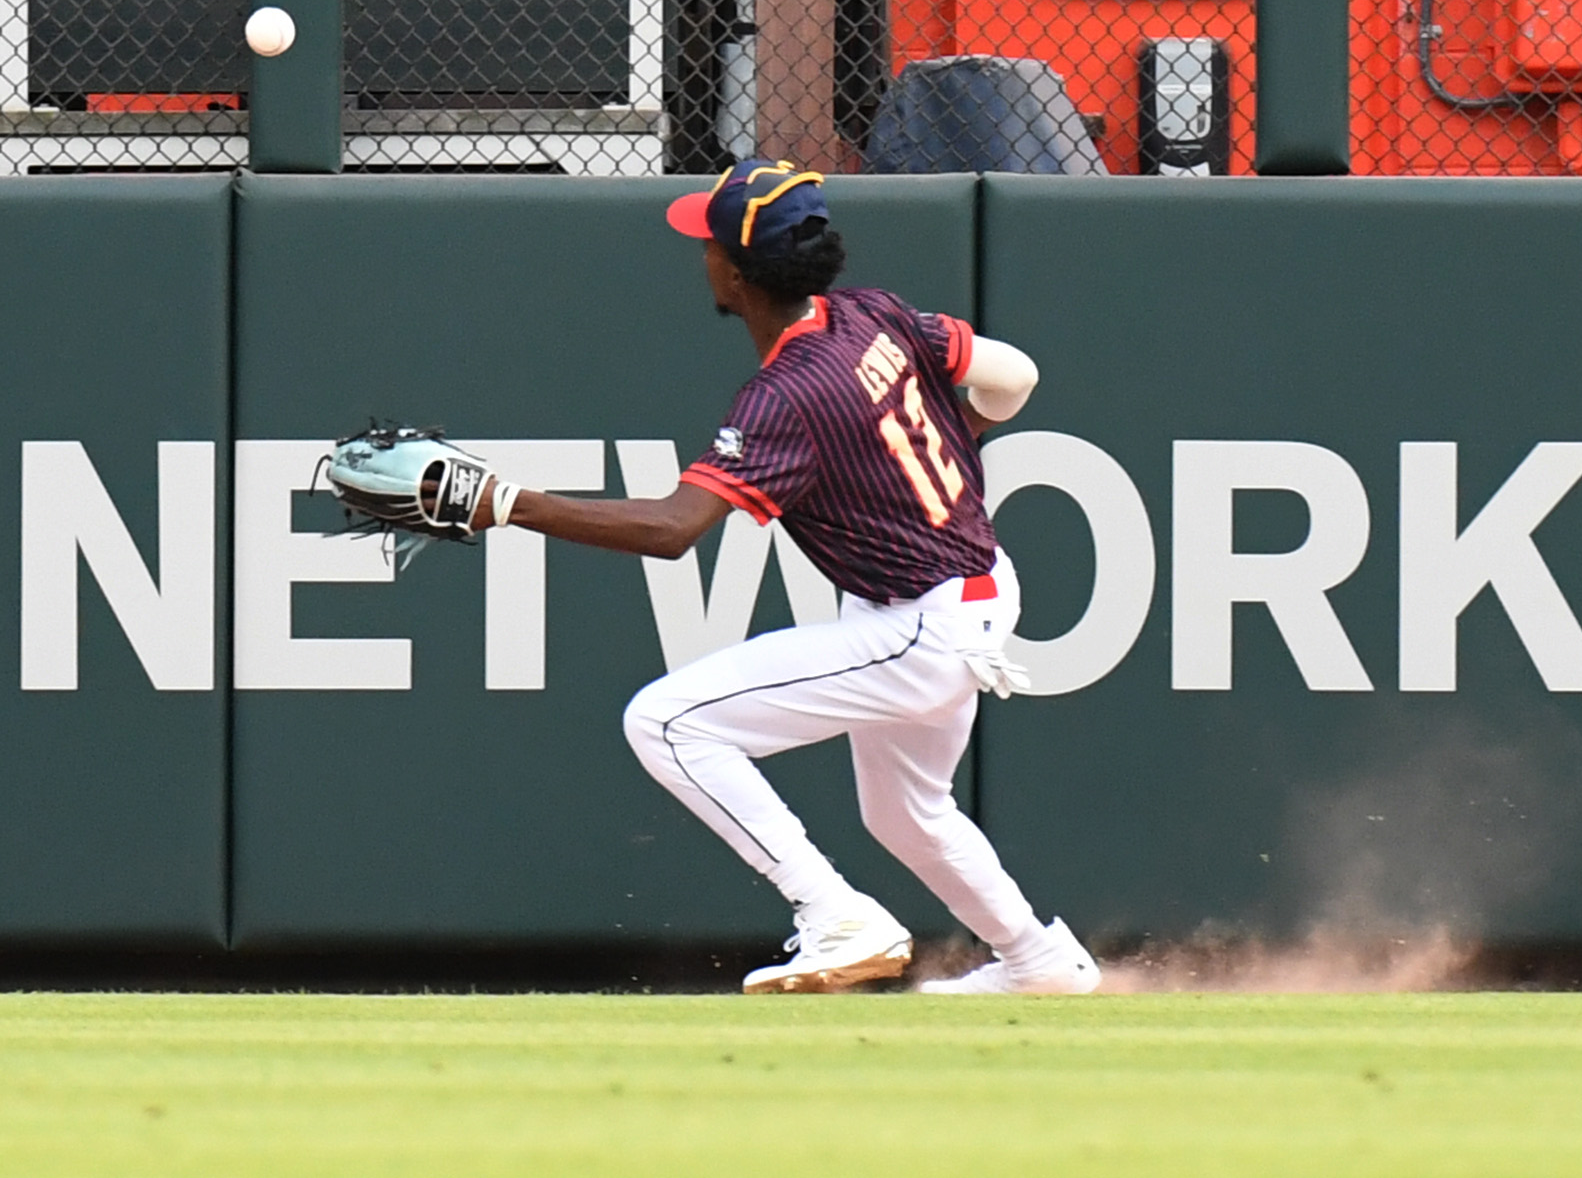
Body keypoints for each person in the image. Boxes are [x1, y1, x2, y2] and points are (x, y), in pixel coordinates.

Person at [409, 160, 1096, 999]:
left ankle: (837, 915)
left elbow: (672, 531)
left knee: (666, 721)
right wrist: (952, 438)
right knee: (905, 811)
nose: (700, 254)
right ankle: (1038, 961)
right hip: (975, 587)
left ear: (735, 273)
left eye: (709, 243)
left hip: (924, 627)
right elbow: (1015, 374)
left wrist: (505, 503)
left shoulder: (788, 393)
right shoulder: (871, 313)